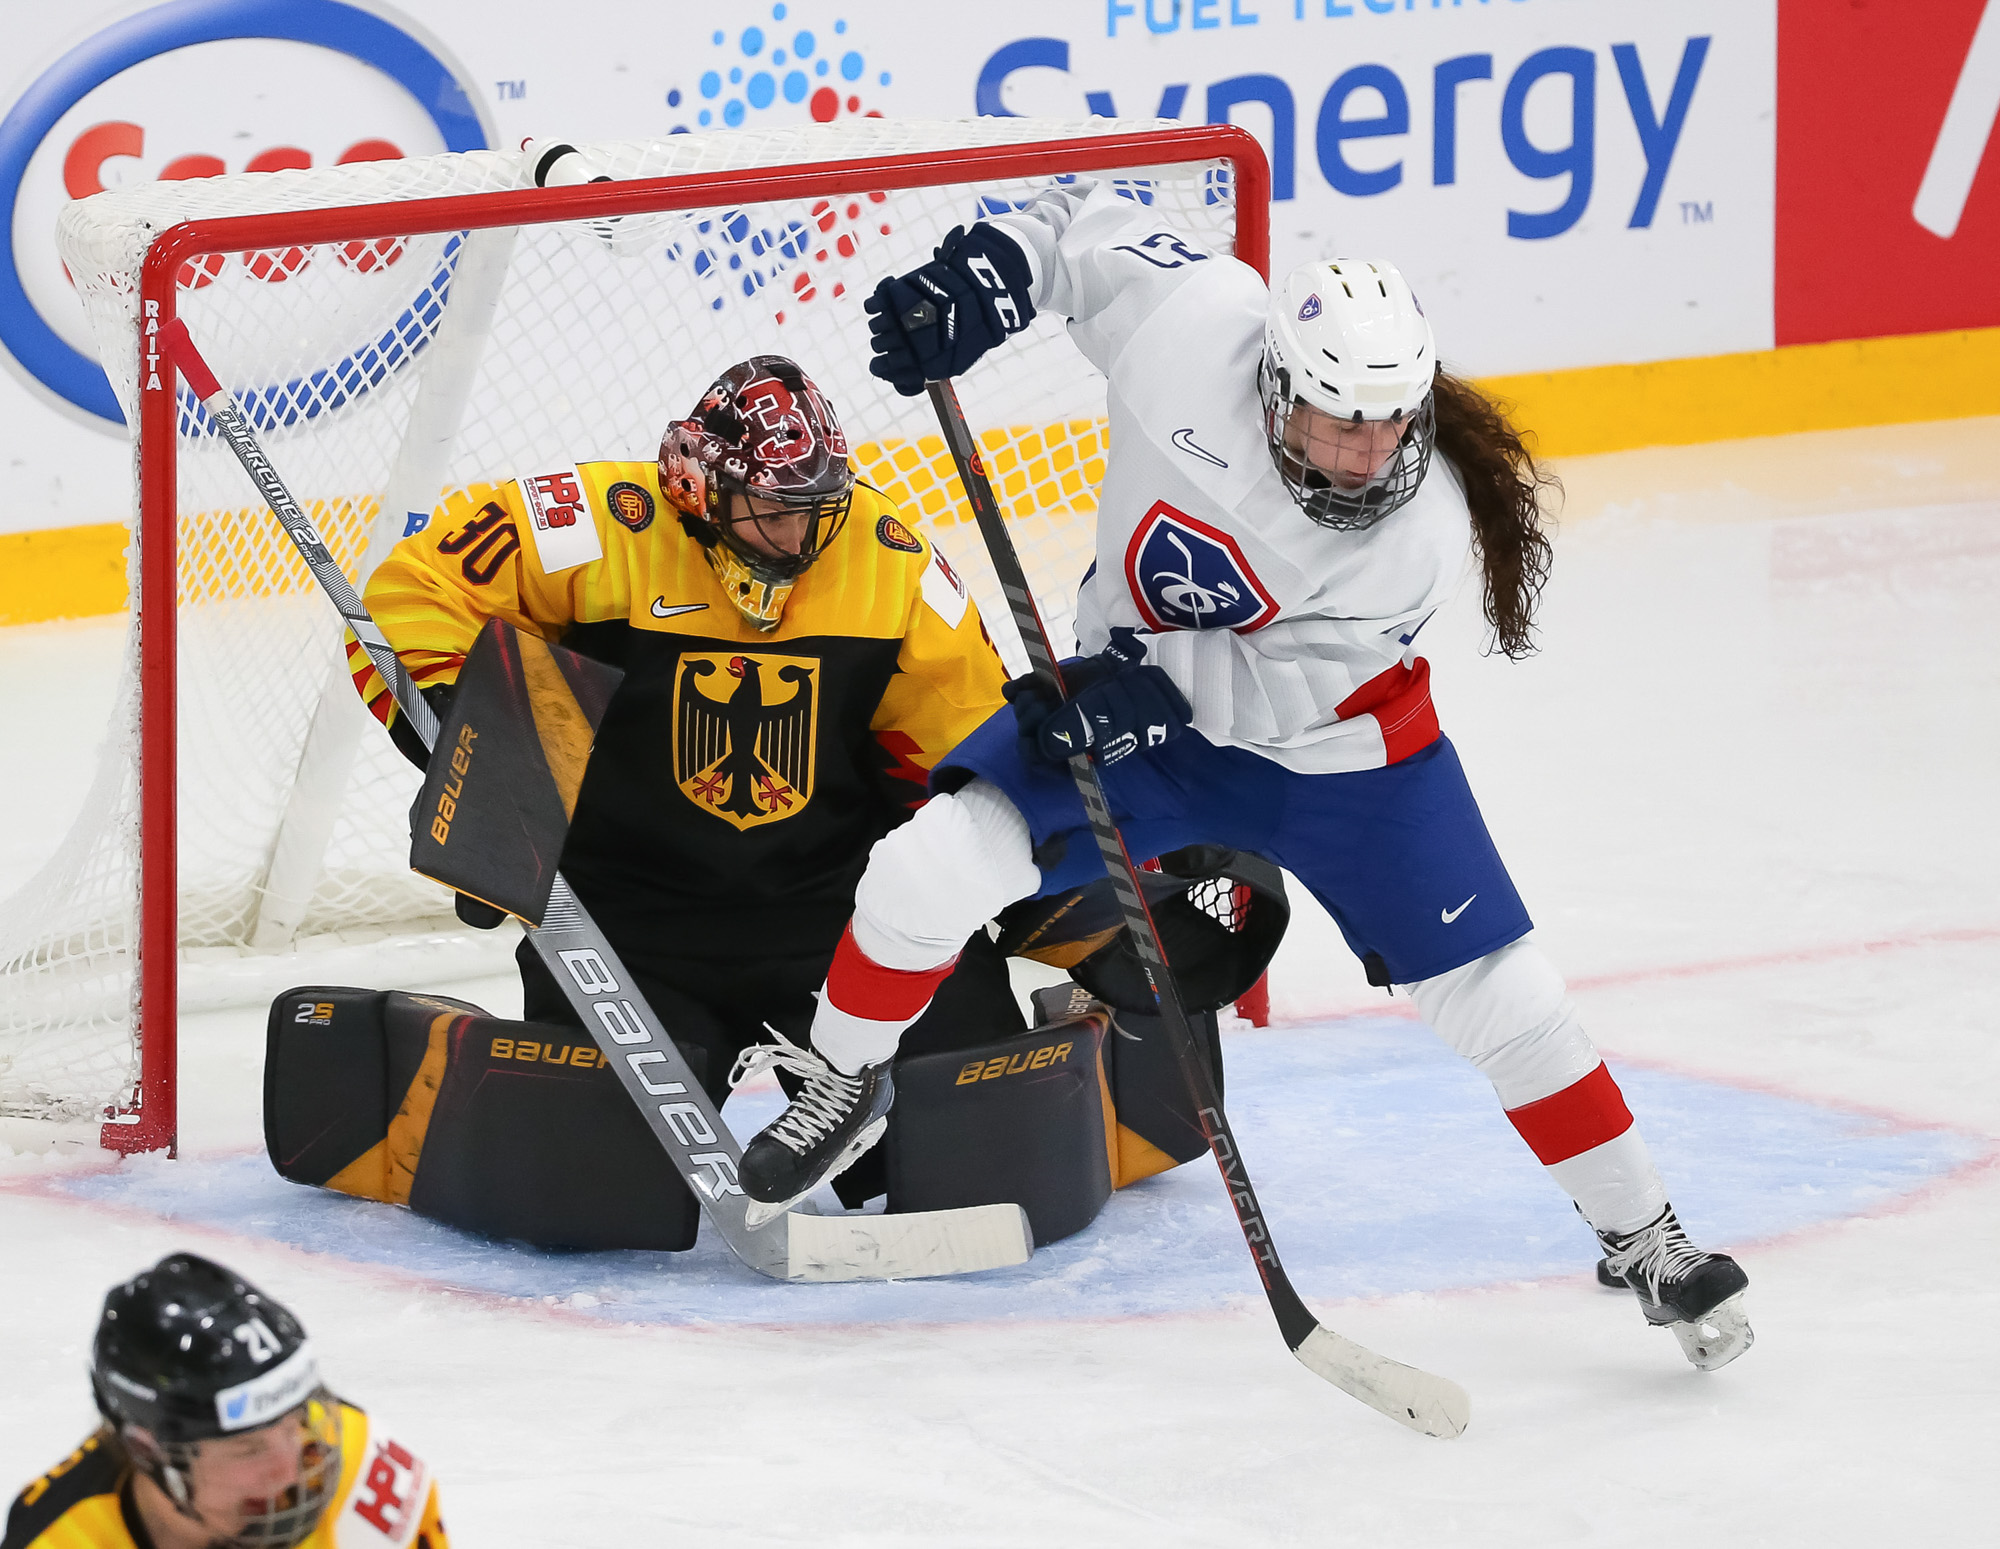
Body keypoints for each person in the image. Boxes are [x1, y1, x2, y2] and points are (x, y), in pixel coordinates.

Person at [733, 186, 1754, 1369]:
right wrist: (985, 280)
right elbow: (1073, 225)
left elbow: (1286, 690)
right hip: (1130, 706)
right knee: (920, 871)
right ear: (1275, 386)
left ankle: (1644, 1234)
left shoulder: (1415, 530)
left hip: (1337, 745)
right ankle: (845, 1079)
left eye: (1387, 425)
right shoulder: (1198, 324)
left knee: (1501, 996)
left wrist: (1132, 699)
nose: (1368, 454)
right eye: (1336, 423)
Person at [352, 354, 1023, 1216]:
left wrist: (1052, 890)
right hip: (626, 921)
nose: (800, 539)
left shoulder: (888, 558)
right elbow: (412, 594)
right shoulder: (595, 524)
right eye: (773, 512)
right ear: (700, 488)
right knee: (595, 1197)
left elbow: (973, 746)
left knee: (974, 1157)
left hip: (835, 913)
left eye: (816, 512)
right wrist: (487, 769)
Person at [3, 1252, 445, 1549]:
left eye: (295, 1422)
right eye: (247, 1448)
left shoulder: (364, 1473)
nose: (292, 1468)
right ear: (146, 1449)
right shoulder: (61, 1537)